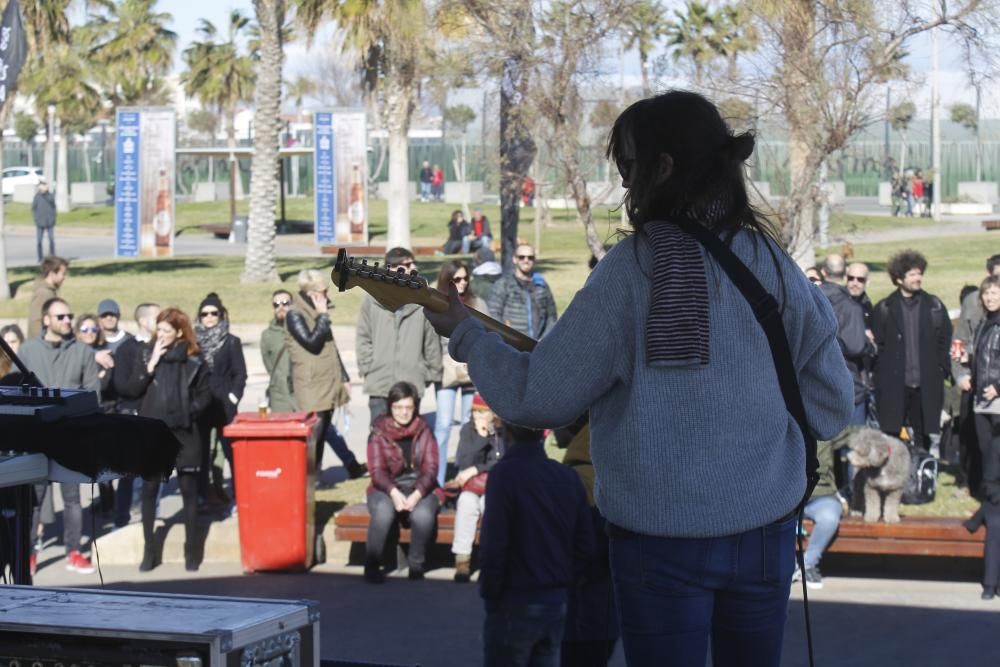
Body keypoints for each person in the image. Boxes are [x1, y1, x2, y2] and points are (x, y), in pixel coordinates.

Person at [424, 90, 853, 666]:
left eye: (628, 167)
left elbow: (538, 397)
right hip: (764, 538)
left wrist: (466, 332)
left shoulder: (631, 272)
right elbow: (830, 409)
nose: (624, 186)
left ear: (664, 167)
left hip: (658, 548)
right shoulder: (774, 264)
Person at [478, 423, 594, 667]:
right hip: (555, 598)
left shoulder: (504, 475)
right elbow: (585, 544)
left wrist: (490, 593)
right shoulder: (567, 477)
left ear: (507, 434)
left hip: (515, 598)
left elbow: (494, 544)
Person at [121, 307, 212, 572]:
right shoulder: (147, 352)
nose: (159, 334)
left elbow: (206, 395)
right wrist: (151, 365)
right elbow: (133, 390)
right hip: (154, 432)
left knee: (189, 492)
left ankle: (192, 550)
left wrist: (189, 411)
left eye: (165, 330)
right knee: (149, 491)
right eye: (158, 329)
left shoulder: (195, 358)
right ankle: (150, 550)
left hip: (185, 432)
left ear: (180, 332)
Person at [20, 297, 101, 575]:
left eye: (69, 316)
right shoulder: (28, 351)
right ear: (46, 320)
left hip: (71, 439)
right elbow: (17, 393)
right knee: (33, 502)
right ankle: (27, 554)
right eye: (61, 317)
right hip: (37, 440)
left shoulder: (82, 351)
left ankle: (74, 551)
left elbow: (93, 394)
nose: (68, 321)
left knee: (73, 499)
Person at [284, 272, 367, 479]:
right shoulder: (294, 314)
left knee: (324, 429)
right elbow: (312, 343)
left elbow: (331, 346)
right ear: (311, 293)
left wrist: (344, 377)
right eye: (323, 291)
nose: (326, 295)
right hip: (310, 383)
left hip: (328, 378)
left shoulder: (318, 308)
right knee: (315, 432)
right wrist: (322, 315)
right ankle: (307, 476)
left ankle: (315, 475)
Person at [872, 250, 952, 453]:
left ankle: (922, 477)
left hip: (926, 386)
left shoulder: (934, 306)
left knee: (923, 438)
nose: (918, 278)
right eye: (912, 274)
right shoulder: (884, 308)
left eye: (919, 274)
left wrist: (941, 369)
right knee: (891, 437)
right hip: (895, 386)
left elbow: (945, 341)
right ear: (899, 279)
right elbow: (878, 348)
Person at [364, 381, 441, 583]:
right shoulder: (378, 432)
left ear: (415, 407)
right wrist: (393, 492)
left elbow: (431, 469)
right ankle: (372, 564)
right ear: (390, 407)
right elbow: (377, 471)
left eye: (408, 407)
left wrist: (417, 493)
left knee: (423, 514)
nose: (403, 413)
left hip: (419, 485)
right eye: (398, 407)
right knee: (383, 511)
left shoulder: (424, 430)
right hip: (386, 487)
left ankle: (416, 564)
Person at [356, 247, 442, 427]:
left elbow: (431, 342)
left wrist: (430, 373)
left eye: (413, 263)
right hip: (380, 383)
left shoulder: (423, 300)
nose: (413, 268)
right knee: (379, 439)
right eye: (406, 264)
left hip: (411, 383)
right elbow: (363, 336)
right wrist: (367, 367)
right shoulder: (371, 300)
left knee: (408, 443)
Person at [434, 260, 489, 485]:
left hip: (472, 371)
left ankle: (464, 473)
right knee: (443, 424)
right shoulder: (437, 303)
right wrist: (436, 364)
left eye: (466, 278)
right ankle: (436, 479)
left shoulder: (478, 304)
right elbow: (431, 339)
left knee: (471, 424)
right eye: (457, 279)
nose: (463, 283)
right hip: (446, 372)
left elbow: (488, 334)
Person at [963, 275, 1000, 599]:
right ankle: (985, 510)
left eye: (995, 293)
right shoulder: (985, 323)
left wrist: (998, 386)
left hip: (998, 401)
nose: (990, 298)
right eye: (986, 293)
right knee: (986, 458)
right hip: (981, 403)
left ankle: (984, 513)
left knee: (995, 464)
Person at [194, 292, 247, 507]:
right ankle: (202, 496)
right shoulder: (192, 342)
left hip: (224, 405)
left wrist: (233, 396)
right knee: (201, 454)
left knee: (231, 453)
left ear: (221, 315)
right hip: (201, 406)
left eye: (213, 313)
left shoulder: (231, 342)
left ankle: (238, 497)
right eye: (204, 313)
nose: (209, 317)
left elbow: (240, 373)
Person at [111, 303, 161, 528]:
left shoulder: (163, 346)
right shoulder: (126, 349)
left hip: (156, 418)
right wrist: (149, 367)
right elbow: (124, 388)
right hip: (132, 416)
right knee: (129, 475)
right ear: (143, 321)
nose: (162, 323)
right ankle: (121, 521)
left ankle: (150, 520)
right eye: (156, 318)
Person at [447, 393, 503, 583]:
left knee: (491, 508)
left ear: (493, 414)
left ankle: (491, 561)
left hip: (493, 486)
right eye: (476, 413)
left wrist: (475, 469)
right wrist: (480, 439)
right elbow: (462, 461)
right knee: (466, 504)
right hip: (471, 487)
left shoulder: (500, 432)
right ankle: (462, 560)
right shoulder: (467, 431)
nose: (480, 418)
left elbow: (500, 462)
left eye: (484, 413)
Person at [793, 437, 844, 590]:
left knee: (829, 518)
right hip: (789, 497)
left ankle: (807, 565)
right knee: (776, 519)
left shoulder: (826, 428)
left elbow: (854, 435)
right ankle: (789, 566)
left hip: (822, 495)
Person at [487, 243, 559, 339]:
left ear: (534, 260)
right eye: (522, 257)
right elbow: (493, 315)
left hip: (538, 345)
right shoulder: (503, 284)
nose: (526, 260)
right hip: (512, 345)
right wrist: (507, 337)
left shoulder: (542, 285)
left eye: (530, 257)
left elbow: (552, 316)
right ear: (515, 259)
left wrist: (544, 339)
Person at [28, 256, 69, 338]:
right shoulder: (44, 294)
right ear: (52, 274)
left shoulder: (49, 292)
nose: (64, 277)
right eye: (62, 274)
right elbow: (36, 322)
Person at [846, 262, 874, 335]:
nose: (855, 283)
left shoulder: (868, 306)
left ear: (867, 282)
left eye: (860, 279)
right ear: (846, 279)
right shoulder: (835, 303)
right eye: (851, 278)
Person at [32, 178, 56, 262]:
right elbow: (34, 208)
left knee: (51, 240)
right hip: (40, 222)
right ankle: (40, 257)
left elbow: (53, 206)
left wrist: (53, 218)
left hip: (49, 221)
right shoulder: (37, 197)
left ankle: (52, 256)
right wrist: (36, 219)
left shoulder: (50, 195)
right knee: (39, 241)